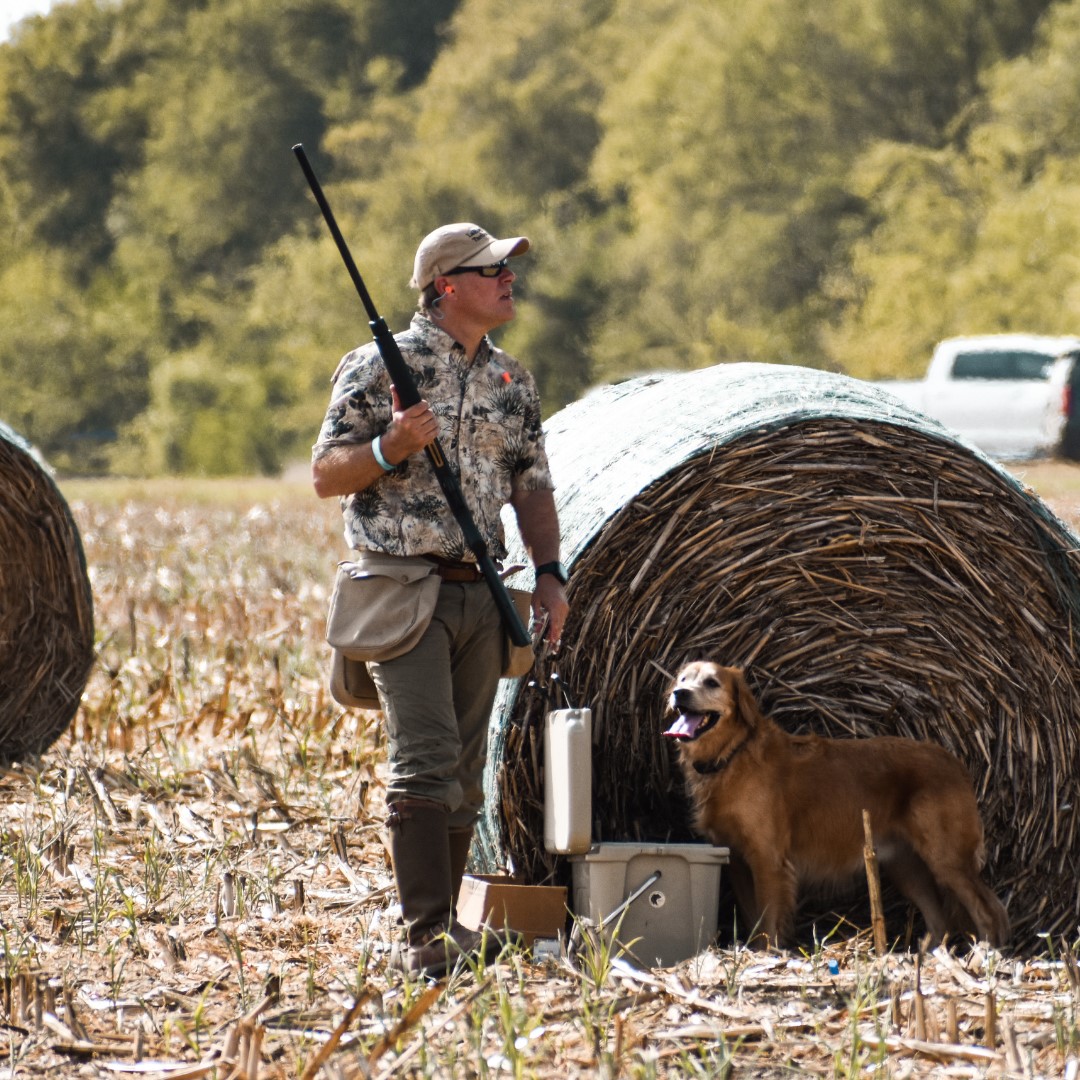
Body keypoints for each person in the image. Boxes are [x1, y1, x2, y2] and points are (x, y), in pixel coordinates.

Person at [311, 222, 569, 977]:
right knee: (423, 760)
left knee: (461, 772)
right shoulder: (376, 366)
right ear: (446, 285)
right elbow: (327, 473)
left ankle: (449, 930)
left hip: (480, 594)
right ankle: (427, 938)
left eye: (508, 268)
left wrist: (549, 574)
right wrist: (391, 445)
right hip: (400, 592)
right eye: (493, 269)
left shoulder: (510, 381)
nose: (508, 278)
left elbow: (533, 488)